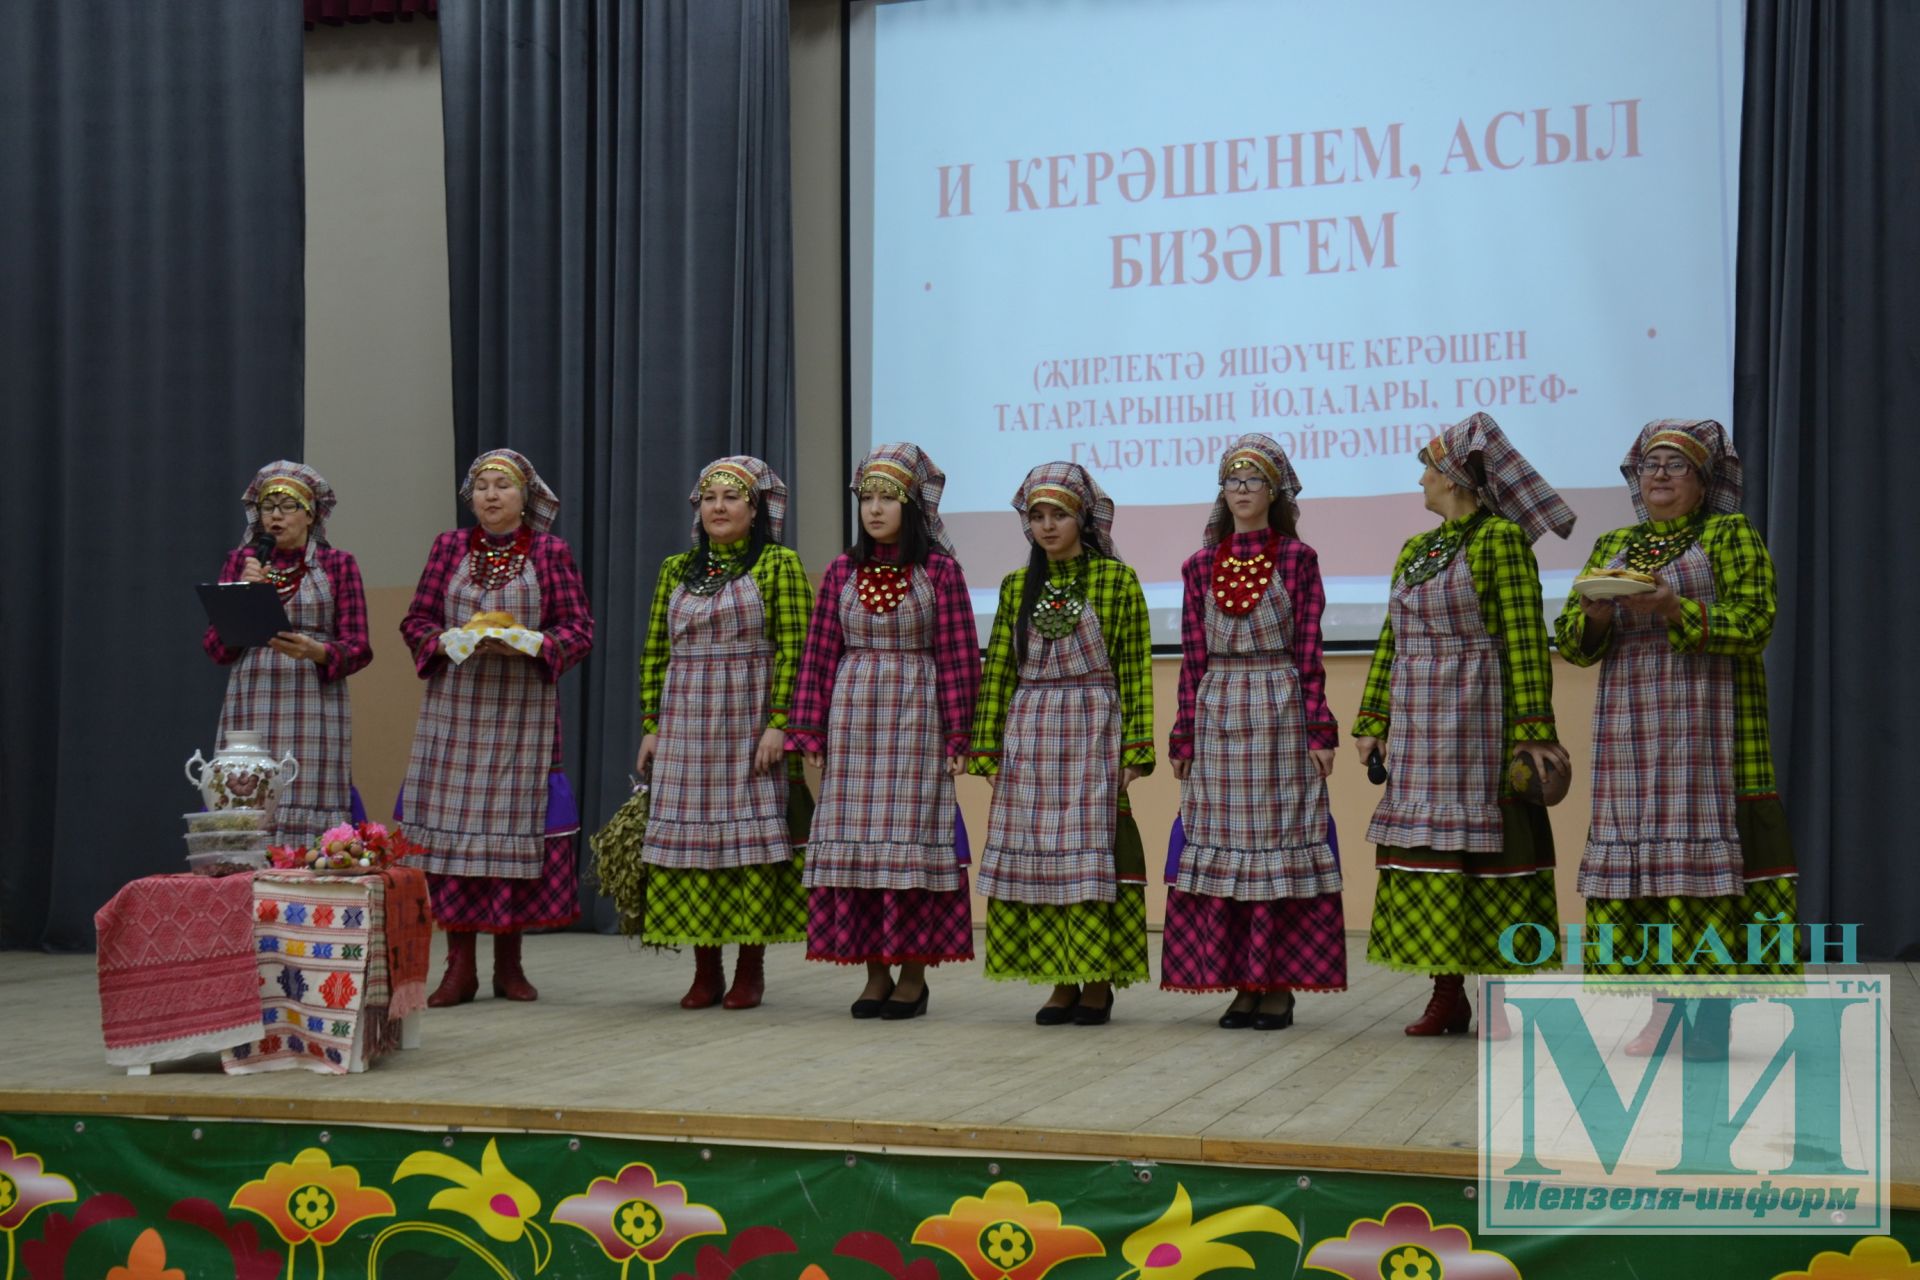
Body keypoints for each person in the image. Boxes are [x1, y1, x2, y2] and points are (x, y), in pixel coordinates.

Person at [1555, 419, 1798, 1057]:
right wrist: (1595, 614)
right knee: (1649, 873)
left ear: (1704, 480)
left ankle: (1709, 1019)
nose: (1659, 474)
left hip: (1707, 738)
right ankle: (1665, 1009)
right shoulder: (1615, 542)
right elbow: (1571, 645)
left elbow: (1756, 622)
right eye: (1650, 464)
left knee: (1699, 873)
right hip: (1632, 737)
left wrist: (1672, 608)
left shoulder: (1729, 534)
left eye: (1676, 465)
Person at [1353, 413, 1574, 1038]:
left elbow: (1527, 640)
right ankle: (1446, 995)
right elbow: (1392, 638)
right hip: (1423, 723)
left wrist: (1533, 730)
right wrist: (1373, 719)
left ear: (1453, 478)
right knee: (1434, 857)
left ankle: (1501, 1000)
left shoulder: (1501, 540)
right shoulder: (1416, 550)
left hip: (1478, 717)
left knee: (1491, 857)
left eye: (1428, 468)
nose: (1421, 479)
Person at [787, 444, 981, 1020]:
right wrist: (810, 730)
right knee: (856, 848)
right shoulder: (843, 571)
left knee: (910, 845)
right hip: (854, 721)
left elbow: (958, 657)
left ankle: (913, 976)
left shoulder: (940, 571)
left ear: (912, 508)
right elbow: (819, 653)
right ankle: (873, 972)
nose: (874, 510)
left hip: (916, 717)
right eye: (866, 498)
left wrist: (958, 736)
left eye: (887, 499)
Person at [398, 449, 594, 1007]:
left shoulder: (552, 553)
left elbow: (580, 628)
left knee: (513, 832)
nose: (489, 496)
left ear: (525, 498)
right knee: (453, 835)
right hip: (454, 712)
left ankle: (510, 963)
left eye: (501, 487)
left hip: (521, 717)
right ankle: (459, 966)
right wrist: (444, 640)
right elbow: (416, 620)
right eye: (481, 486)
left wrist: (535, 641)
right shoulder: (448, 548)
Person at [1163, 435, 1341, 1029]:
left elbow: (1309, 649)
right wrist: (1183, 734)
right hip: (1218, 713)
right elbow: (1192, 657)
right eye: (1232, 481)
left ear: (1275, 492)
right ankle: (1242, 981)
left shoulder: (1298, 558)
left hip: (1279, 711)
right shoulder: (1198, 565)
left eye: (1253, 480)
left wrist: (1319, 728)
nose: (1241, 490)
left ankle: (1278, 983)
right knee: (1224, 843)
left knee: (1277, 845)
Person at [969, 462, 1153, 1026]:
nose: (1047, 527)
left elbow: (1135, 669)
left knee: (1090, 851)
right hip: (1030, 728)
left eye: (1059, 515)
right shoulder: (1015, 586)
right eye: (1037, 516)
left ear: (1083, 518)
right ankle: (1058, 979)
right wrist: (988, 747)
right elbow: (999, 667)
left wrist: (1136, 746)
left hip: (1092, 726)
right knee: (1040, 854)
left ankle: (1096, 980)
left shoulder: (1117, 581)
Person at [636, 456, 813, 1011]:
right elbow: (656, 652)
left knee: (749, 850)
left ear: (755, 509)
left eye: (731, 497)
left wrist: (779, 724)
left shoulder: (779, 565)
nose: (718, 507)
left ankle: (750, 969)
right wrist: (651, 725)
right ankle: (704, 968)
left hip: (747, 721)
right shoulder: (675, 569)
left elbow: (797, 648)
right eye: (709, 498)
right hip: (687, 721)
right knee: (693, 845)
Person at [203, 461, 372, 843]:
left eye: (287, 506)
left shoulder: (337, 564)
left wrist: (319, 651)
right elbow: (215, 647)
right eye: (268, 507)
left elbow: (360, 647)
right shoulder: (242, 561)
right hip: (252, 698)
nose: (275, 516)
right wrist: (243, 596)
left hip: (313, 702)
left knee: (306, 787)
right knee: (246, 791)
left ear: (310, 514)